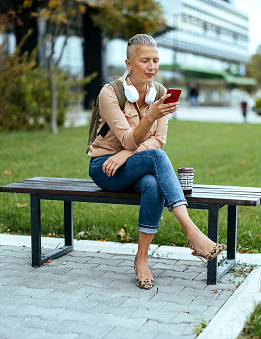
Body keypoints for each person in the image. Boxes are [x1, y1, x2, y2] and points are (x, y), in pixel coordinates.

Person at [87, 34, 225, 290]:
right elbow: (130, 140)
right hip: (105, 168)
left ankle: (142, 259)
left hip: (135, 164)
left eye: (156, 60)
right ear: (128, 64)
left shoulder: (160, 93)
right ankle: (193, 234)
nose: (152, 67)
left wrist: (127, 154)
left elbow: (158, 141)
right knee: (157, 160)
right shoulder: (110, 93)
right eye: (145, 61)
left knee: (153, 183)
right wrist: (148, 118)